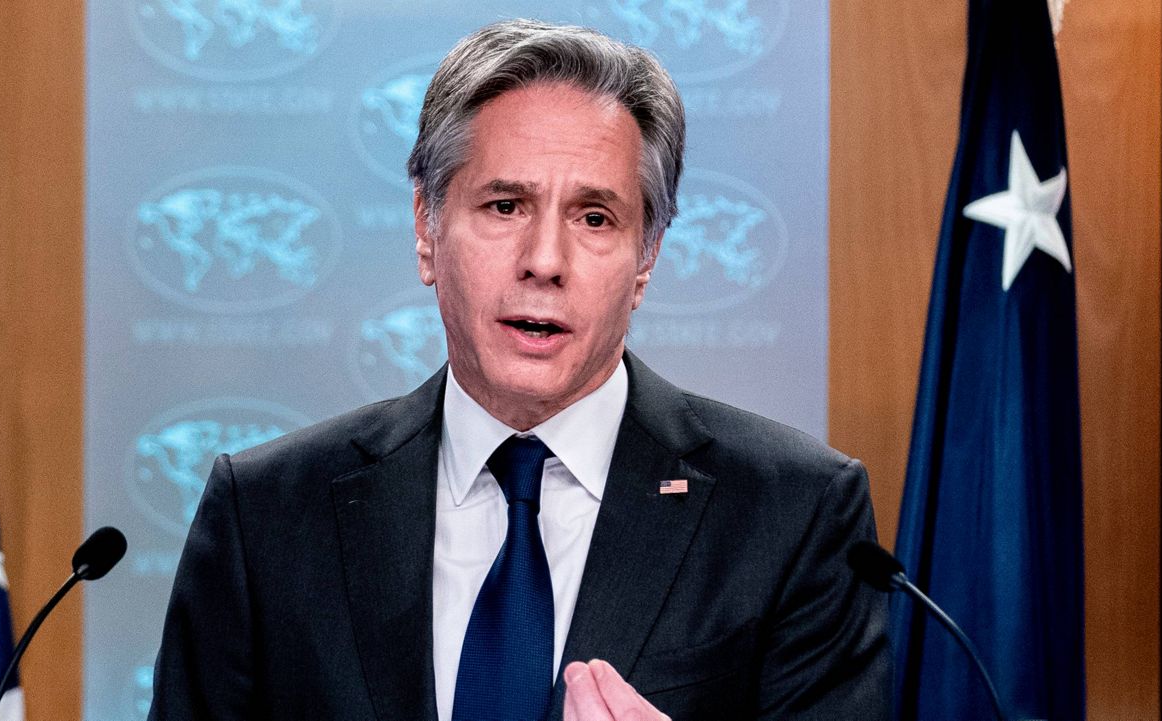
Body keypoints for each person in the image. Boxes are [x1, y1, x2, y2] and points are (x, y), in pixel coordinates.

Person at [147, 19, 890, 721]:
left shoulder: (794, 512)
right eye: (505, 206)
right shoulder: (268, 514)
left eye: (595, 218)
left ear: (647, 259)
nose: (544, 261)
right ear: (426, 230)